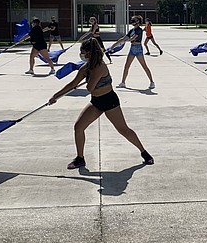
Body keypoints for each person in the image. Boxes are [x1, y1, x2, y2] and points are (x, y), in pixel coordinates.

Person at [48, 37, 153, 170]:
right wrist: (55, 96)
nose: (82, 55)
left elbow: (89, 88)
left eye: (83, 52)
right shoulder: (86, 68)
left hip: (109, 101)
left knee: (123, 129)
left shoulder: (100, 67)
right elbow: (73, 84)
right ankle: (80, 158)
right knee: (78, 127)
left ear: (89, 53)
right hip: (96, 102)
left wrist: (88, 77)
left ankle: (144, 152)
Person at [112, 16, 155, 89]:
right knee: (127, 66)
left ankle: (152, 82)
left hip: (138, 49)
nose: (133, 22)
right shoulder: (131, 30)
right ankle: (123, 82)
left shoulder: (139, 30)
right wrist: (113, 45)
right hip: (132, 48)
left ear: (138, 22)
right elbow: (124, 38)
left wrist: (126, 40)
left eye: (134, 20)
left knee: (144, 66)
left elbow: (133, 38)